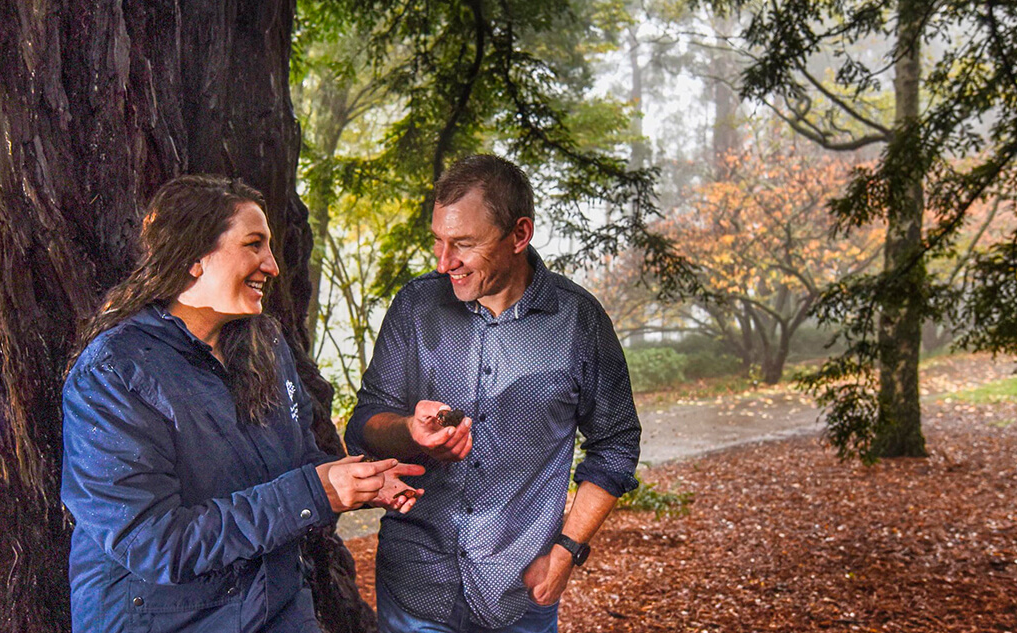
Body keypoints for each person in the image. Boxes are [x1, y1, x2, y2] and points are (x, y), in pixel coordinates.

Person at [61, 175, 423, 633]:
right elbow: (155, 543)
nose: (272, 265)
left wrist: (363, 480)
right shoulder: (114, 372)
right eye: (254, 244)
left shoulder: (264, 346)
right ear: (194, 257)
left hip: (277, 611)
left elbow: (299, 465)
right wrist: (316, 490)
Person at [346, 155, 642, 632]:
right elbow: (364, 424)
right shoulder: (416, 306)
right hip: (414, 586)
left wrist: (567, 551)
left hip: (519, 596)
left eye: (463, 244)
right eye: (438, 242)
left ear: (519, 235)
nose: (445, 263)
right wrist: (409, 432)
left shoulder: (579, 322)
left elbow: (616, 444)